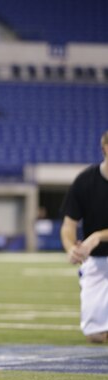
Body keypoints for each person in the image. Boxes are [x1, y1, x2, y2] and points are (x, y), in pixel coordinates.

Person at [60, 131, 108, 344]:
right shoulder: (85, 181)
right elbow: (68, 225)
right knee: (95, 335)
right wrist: (71, 248)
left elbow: (95, 236)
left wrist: (97, 236)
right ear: (105, 148)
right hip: (97, 261)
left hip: (97, 247)